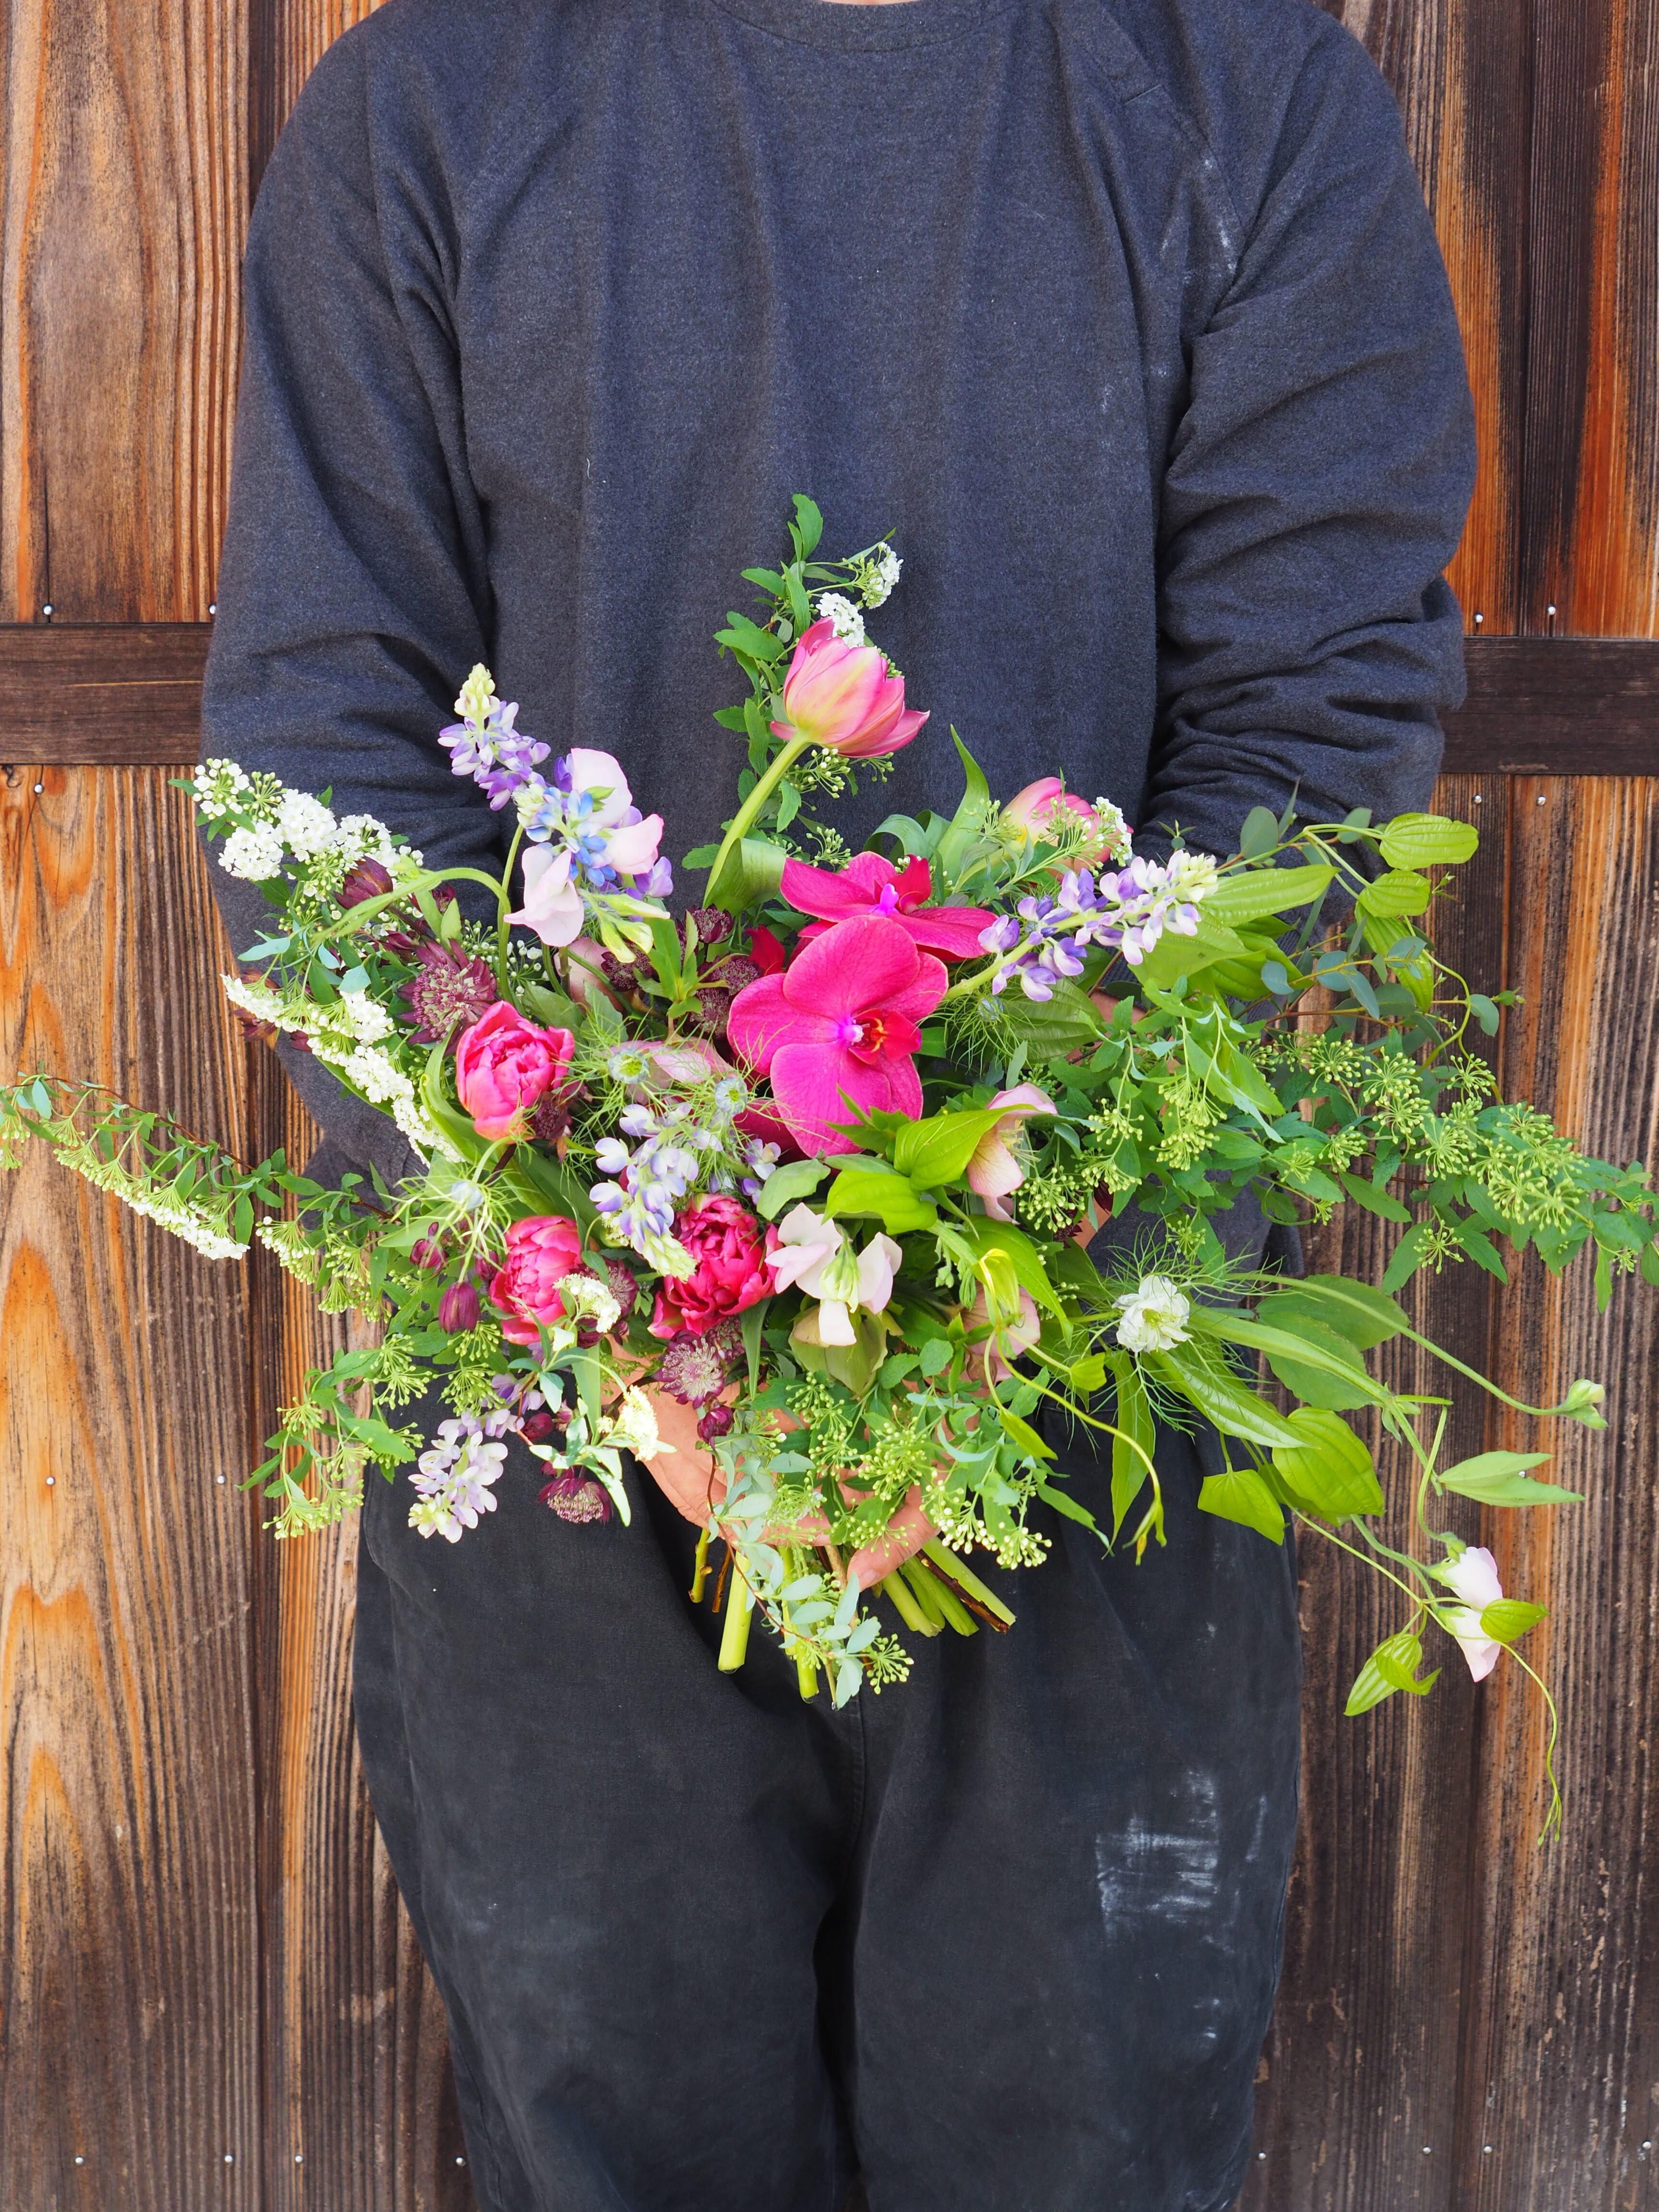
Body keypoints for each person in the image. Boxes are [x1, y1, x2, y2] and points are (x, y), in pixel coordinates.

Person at [202, 0, 1474, 2199]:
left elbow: (1316, 734)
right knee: (618, 2138)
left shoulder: (1242, 98)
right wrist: (634, 1304)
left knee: (1068, 2141)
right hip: (567, 1388)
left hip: (1073, 1367)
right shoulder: (433, 108)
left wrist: (1003, 1254)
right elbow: (323, 750)